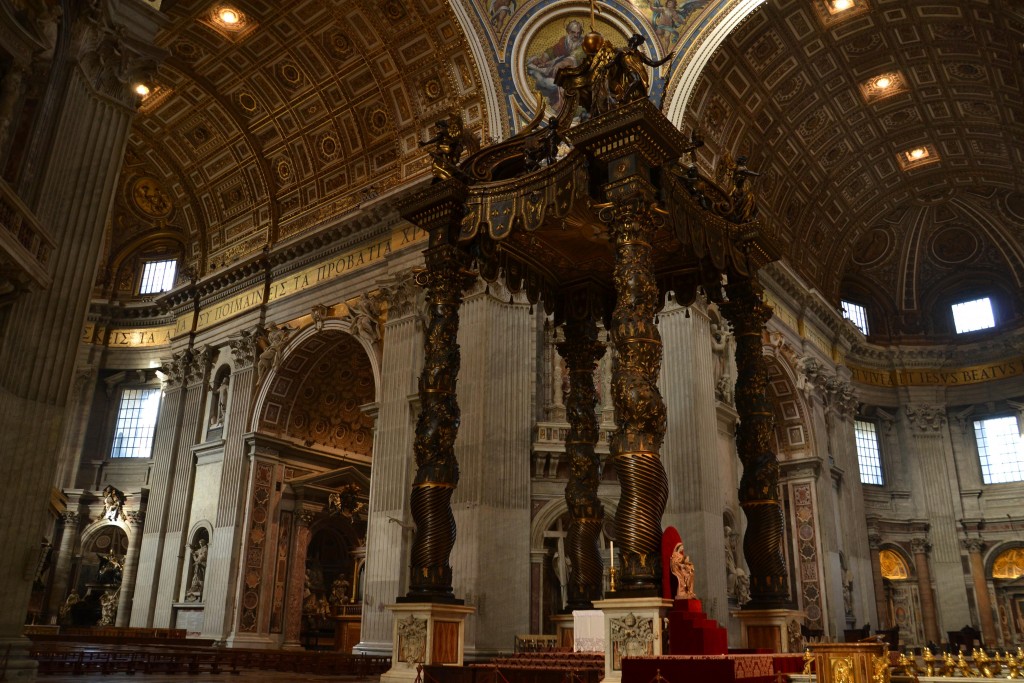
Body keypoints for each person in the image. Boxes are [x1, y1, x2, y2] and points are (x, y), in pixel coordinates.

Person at [527, 20, 585, 109]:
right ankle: (557, 101)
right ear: (568, 32)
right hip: (565, 69)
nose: (576, 35)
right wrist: (543, 60)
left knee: (562, 78)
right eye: (573, 32)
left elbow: (575, 56)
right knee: (547, 77)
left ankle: (564, 105)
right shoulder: (565, 41)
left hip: (579, 72)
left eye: (578, 33)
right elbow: (553, 51)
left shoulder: (583, 43)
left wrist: (562, 63)